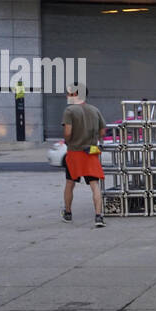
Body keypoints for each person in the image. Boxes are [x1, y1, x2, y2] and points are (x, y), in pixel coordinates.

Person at [61, 83, 106, 228]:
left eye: (69, 93)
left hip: (74, 152)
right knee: (94, 185)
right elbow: (103, 131)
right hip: (91, 152)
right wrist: (95, 139)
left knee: (70, 183)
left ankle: (68, 213)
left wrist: (68, 141)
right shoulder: (95, 110)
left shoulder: (69, 111)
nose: (67, 96)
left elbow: (67, 132)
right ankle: (98, 216)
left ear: (75, 95)